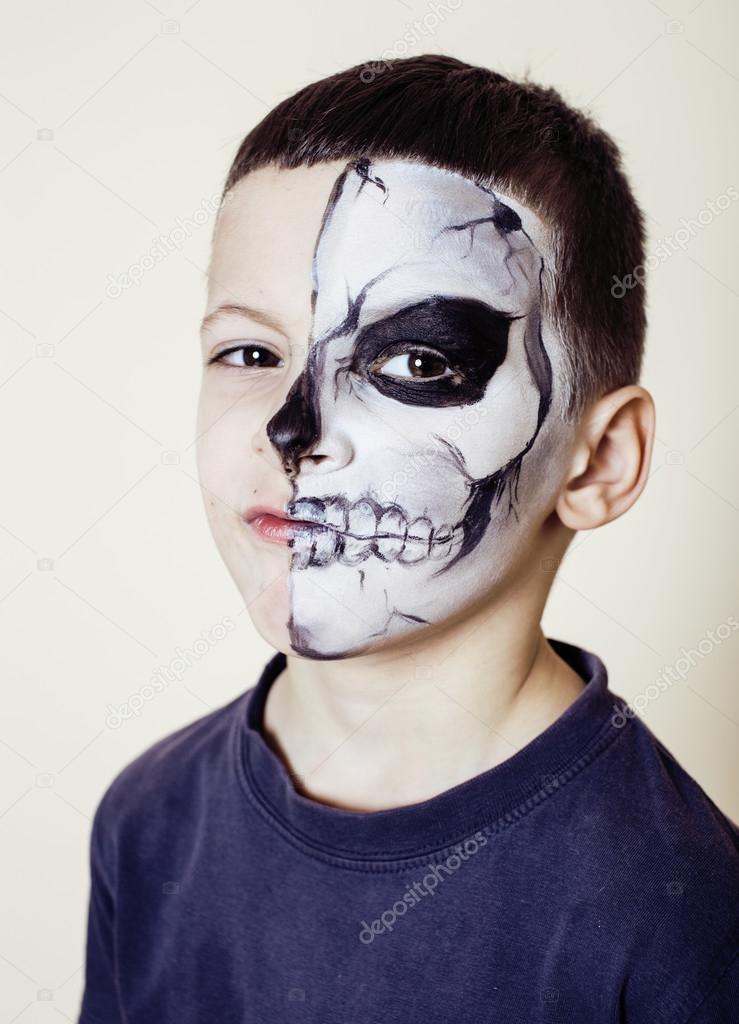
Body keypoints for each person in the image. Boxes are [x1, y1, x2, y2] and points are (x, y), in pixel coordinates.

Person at [78, 55, 739, 1022]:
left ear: (595, 464)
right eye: (251, 353)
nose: (289, 430)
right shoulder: (147, 820)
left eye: (417, 359)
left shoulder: (675, 910)